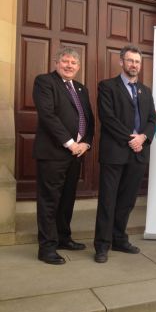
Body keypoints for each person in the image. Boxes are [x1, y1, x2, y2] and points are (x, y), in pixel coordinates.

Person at [93, 45, 156, 263]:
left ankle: (119, 239)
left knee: (127, 201)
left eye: (137, 62)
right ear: (121, 62)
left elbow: (152, 120)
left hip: (138, 154)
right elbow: (107, 118)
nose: (134, 65)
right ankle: (102, 245)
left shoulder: (145, 91)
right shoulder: (107, 87)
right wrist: (132, 139)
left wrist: (143, 138)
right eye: (130, 61)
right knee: (108, 200)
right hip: (115, 153)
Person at [33, 47, 95, 265]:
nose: (69, 65)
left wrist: (86, 143)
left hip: (76, 154)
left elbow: (88, 118)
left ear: (78, 67)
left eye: (74, 63)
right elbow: (48, 116)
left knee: (67, 199)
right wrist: (70, 144)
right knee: (50, 201)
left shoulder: (80, 88)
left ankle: (63, 238)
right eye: (65, 61)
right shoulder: (44, 82)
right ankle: (47, 248)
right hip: (53, 153)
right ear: (56, 63)